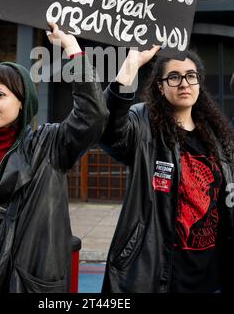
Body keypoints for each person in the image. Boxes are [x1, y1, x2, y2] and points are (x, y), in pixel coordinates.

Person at [0, 23, 108, 293]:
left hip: (27, 284)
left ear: (22, 100)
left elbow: (93, 116)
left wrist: (71, 47)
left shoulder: (49, 146)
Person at [99, 47, 234, 293]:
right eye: (174, 77)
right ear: (160, 86)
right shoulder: (143, 124)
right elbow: (108, 131)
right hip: (162, 275)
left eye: (191, 76)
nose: (184, 83)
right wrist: (132, 63)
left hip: (211, 276)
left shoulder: (217, 134)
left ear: (199, 83)